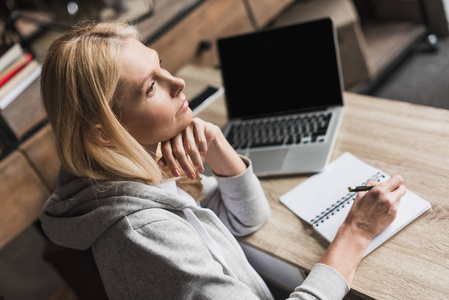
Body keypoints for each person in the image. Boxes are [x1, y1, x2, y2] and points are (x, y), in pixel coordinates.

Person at [39, 21, 406, 300]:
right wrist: (355, 234)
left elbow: (247, 217)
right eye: (151, 87)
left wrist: (215, 143)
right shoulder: (142, 237)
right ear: (105, 132)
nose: (178, 81)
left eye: (162, 65)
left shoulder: (133, 174)